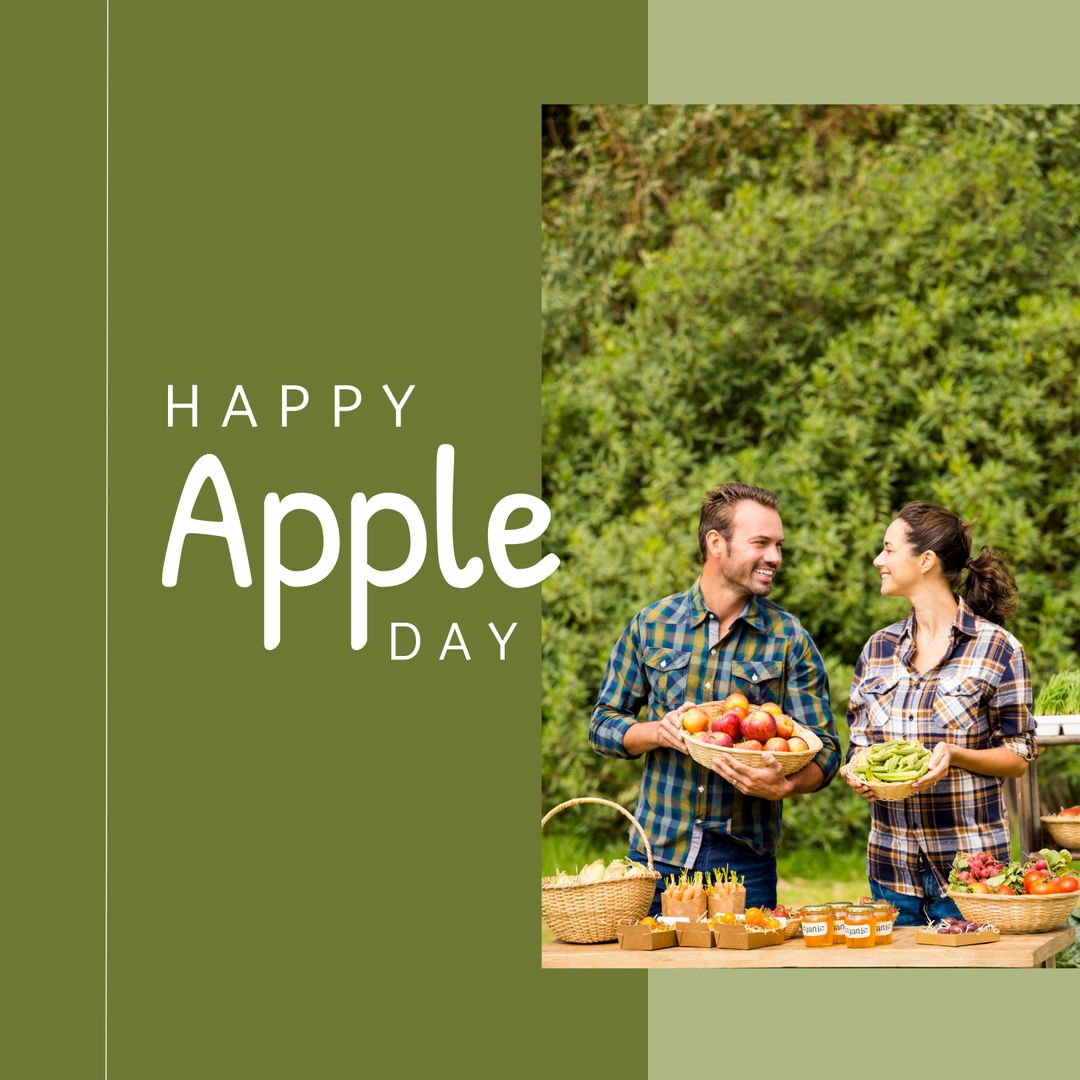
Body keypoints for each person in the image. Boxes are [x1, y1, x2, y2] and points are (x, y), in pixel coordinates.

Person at [589, 483, 841, 914]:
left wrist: (785, 786)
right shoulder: (652, 625)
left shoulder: (788, 639)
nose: (775, 557)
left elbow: (827, 749)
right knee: (649, 978)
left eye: (778, 545)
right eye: (761, 543)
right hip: (658, 854)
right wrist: (656, 732)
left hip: (746, 862)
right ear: (716, 543)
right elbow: (602, 725)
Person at [843, 501, 1036, 926]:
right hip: (892, 871)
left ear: (925, 560)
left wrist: (955, 754)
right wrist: (858, 772)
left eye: (889, 550)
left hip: (971, 874)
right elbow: (859, 744)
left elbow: (1019, 755)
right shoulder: (878, 649)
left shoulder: (999, 648)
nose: (879, 560)